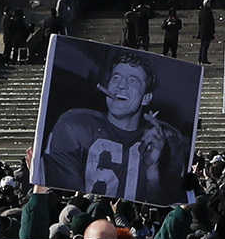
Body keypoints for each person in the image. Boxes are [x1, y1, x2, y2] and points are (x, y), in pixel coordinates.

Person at [40, 48, 188, 204]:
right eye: (116, 78)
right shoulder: (74, 125)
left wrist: (152, 170)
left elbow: (163, 206)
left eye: (132, 80)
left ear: (146, 98)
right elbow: (66, 197)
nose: (121, 86)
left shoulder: (166, 139)